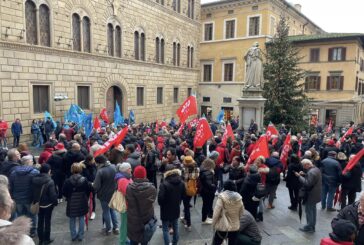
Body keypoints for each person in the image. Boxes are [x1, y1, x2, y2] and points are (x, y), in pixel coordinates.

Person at [126, 166, 157, 245]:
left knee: (133, 241)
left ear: (135, 175)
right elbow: (152, 201)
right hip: (146, 220)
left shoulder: (129, 188)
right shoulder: (152, 188)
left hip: (133, 221)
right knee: (145, 241)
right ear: (145, 175)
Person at [9, 155, 39, 237]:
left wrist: (12, 197)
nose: (33, 163)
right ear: (28, 162)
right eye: (32, 161)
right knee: (32, 215)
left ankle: (23, 231)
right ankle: (32, 231)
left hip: (18, 199)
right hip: (29, 199)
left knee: (20, 216)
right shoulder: (35, 172)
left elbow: (11, 186)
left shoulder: (13, 173)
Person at [62, 162, 92, 242]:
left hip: (71, 202)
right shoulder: (84, 180)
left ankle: (73, 235)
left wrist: (68, 196)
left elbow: (64, 191)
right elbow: (88, 190)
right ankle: (80, 235)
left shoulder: (68, 181)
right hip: (82, 201)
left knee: (72, 219)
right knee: (81, 218)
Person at [158, 165, 185, 245]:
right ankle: (175, 242)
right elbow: (183, 195)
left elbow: (160, 199)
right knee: (175, 226)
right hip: (176, 207)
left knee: (165, 229)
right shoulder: (181, 182)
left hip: (165, 209)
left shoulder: (164, 184)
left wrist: (162, 204)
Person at [31, 164, 58, 245]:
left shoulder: (34, 179)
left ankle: (40, 239)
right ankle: (46, 239)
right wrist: (55, 202)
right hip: (48, 205)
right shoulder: (50, 181)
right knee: (47, 222)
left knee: (40, 221)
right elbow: (52, 195)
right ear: (48, 171)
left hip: (38, 204)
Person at [212, 180, 244, 245]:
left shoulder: (221, 198)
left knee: (216, 242)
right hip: (235, 227)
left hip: (223, 226)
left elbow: (216, 213)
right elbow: (241, 213)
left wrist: (214, 224)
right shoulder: (239, 199)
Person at [93, 155, 119, 235]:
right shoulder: (114, 167)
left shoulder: (100, 171)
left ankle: (108, 229)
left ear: (99, 162)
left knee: (106, 211)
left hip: (103, 194)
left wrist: (92, 184)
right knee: (112, 210)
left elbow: (96, 186)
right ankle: (116, 227)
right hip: (113, 192)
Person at [296, 159, 322, 233]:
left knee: (309, 211)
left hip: (311, 194)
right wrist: (304, 174)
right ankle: (312, 226)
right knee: (313, 210)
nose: (304, 167)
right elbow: (312, 179)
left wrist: (299, 177)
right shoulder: (316, 169)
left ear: (307, 164)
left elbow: (307, 183)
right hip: (316, 194)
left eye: (304, 166)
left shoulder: (311, 172)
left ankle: (309, 226)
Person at [115, 162, 133, 245]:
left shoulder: (126, 177)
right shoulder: (122, 180)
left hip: (127, 205)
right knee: (124, 226)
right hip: (125, 205)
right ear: (126, 170)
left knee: (126, 225)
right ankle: (122, 242)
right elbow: (128, 192)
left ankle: (125, 240)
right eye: (130, 168)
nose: (131, 170)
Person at [181, 156, 199, 231]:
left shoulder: (185, 170)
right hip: (193, 189)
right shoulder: (196, 169)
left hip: (186, 190)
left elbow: (184, 179)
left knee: (186, 207)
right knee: (187, 204)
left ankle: (188, 224)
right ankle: (185, 218)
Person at [199, 158, 217, 224]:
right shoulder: (208, 173)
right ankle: (204, 219)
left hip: (204, 191)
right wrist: (215, 186)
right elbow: (210, 184)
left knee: (205, 205)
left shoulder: (203, 170)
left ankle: (205, 218)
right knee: (206, 205)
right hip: (208, 192)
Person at [81, 154, 97, 220]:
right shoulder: (83, 166)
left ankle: (93, 211)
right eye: (93, 159)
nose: (94, 161)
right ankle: (86, 212)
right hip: (86, 184)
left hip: (93, 184)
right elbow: (86, 176)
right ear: (89, 161)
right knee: (85, 198)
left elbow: (95, 174)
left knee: (93, 198)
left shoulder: (94, 165)